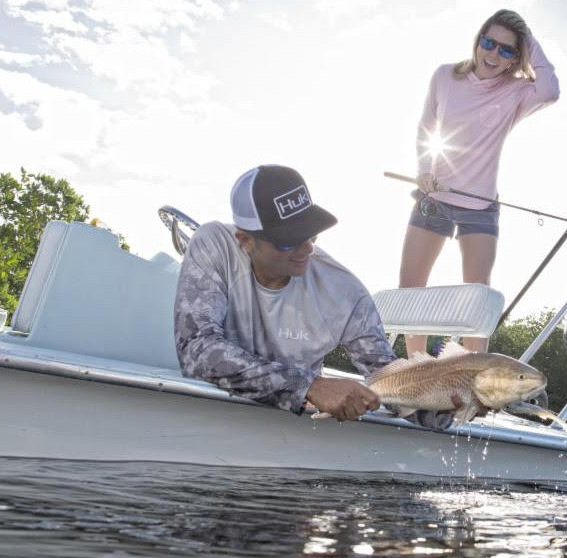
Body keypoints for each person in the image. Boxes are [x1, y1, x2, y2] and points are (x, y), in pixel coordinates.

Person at [174, 164, 454, 427]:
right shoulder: (214, 245)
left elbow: (392, 384)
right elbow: (196, 351)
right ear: (246, 241)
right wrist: (309, 386)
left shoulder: (346, 292)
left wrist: (452, 403)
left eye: (311, 235)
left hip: (289, 433)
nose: (307, 248)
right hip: (213, 419)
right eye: (289, 241)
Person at [400, 9, 560, 355]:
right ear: (478, 40)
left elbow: (550, 90)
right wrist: (424, 168)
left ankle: (474, 381)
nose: (493, 54)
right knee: (411, 291)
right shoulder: (444, 76)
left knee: (477, 300)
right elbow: (427, 127)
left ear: (517, 57)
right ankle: (416, 371)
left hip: (481, 208)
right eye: (489, 43)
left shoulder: (517, 91)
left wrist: (528, 38)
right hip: (434, 200)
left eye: (507, 50)